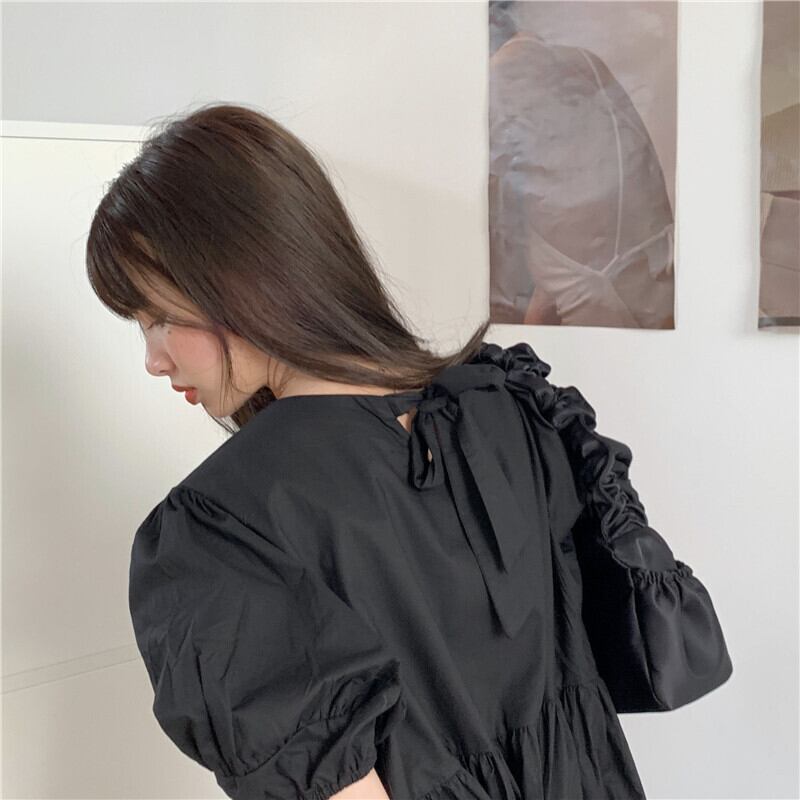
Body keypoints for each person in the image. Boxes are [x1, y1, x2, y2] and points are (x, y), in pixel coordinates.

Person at [86, 102, 731, 800]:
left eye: (157, 317)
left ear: (240, 279)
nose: (154, 358)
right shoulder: (517, 403)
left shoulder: (220, 528)